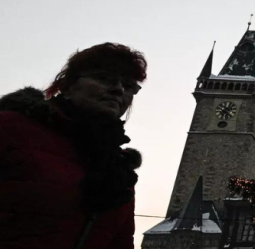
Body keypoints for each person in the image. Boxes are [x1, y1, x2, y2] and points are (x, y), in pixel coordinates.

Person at [0, 43, 146, 249]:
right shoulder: (10, 128)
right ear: (68, 86)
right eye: (103, 78)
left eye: (128, 86)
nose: (118, 89)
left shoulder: (119, 169)